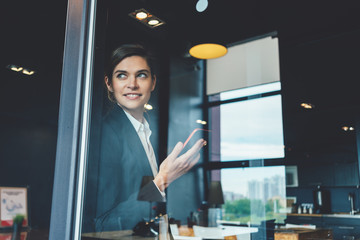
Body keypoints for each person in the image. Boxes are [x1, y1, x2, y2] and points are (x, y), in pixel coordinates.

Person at [94, 44, 206, 232]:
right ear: (109, 83)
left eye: (141, 75)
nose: (132, 84)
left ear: (153, 82)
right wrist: (162, 180)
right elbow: (102, 223)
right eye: (122, 75)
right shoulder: (106, 134)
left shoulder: (146, 133)